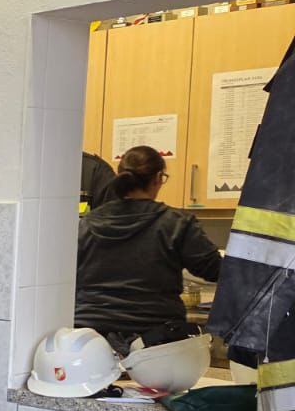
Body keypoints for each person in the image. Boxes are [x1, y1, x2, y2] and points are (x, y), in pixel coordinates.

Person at [75, 145, 222, 352]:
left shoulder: (87, 224)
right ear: (158, 177)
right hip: (155, 341)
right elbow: (214, 270)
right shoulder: (176, 223)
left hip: (91, 340)